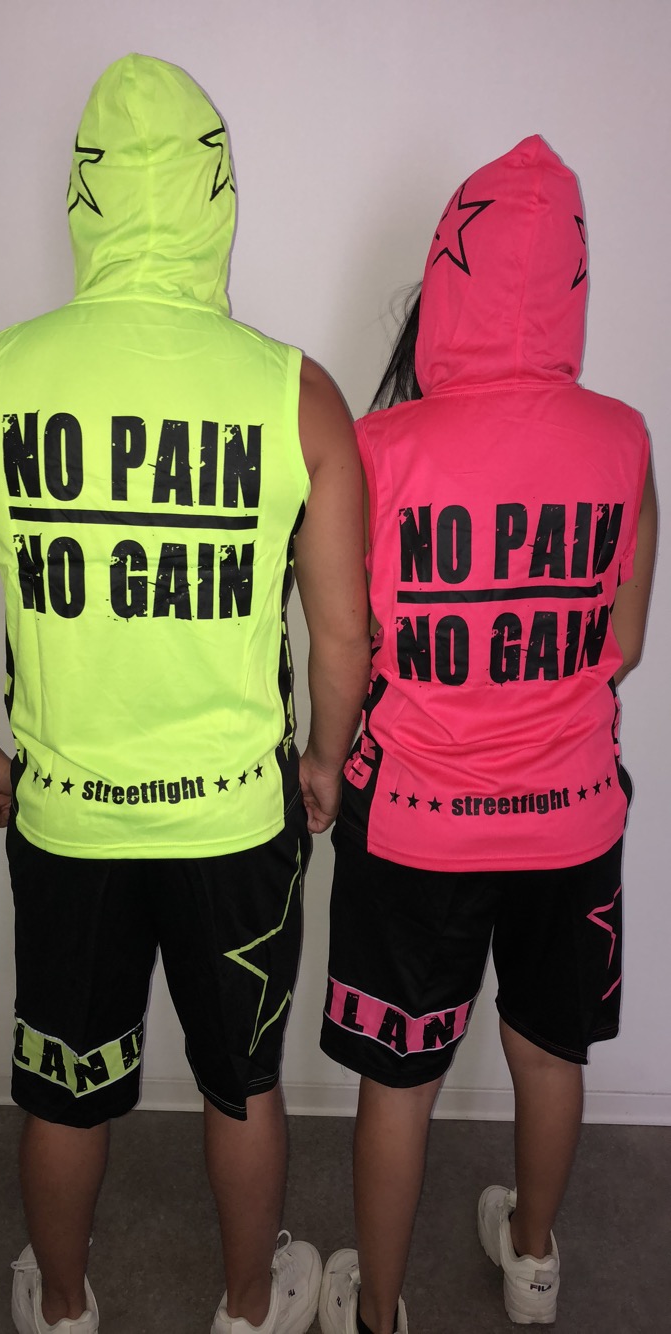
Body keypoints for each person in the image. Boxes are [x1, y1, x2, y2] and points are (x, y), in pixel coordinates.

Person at [0, 54, 370, 1334]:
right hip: (234, 820)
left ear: (86, 197)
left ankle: (63, 1303)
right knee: (243, 1086)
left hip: (70, 816)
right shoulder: (296, 393)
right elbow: (344, 631)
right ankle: (249, 1303)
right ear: (216, 195)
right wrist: (325, 759)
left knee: (64, 1084)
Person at [317, 135, 657, 1333]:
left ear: (446, 274)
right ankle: (533, 1257)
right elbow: (623, 643)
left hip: (416, 823)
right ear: (572, 280)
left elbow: (350, 643)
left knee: (398, 1079)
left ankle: (378, 1306)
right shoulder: (624, 440)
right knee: (548, 1051)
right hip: (571, 820)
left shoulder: (381, 448)